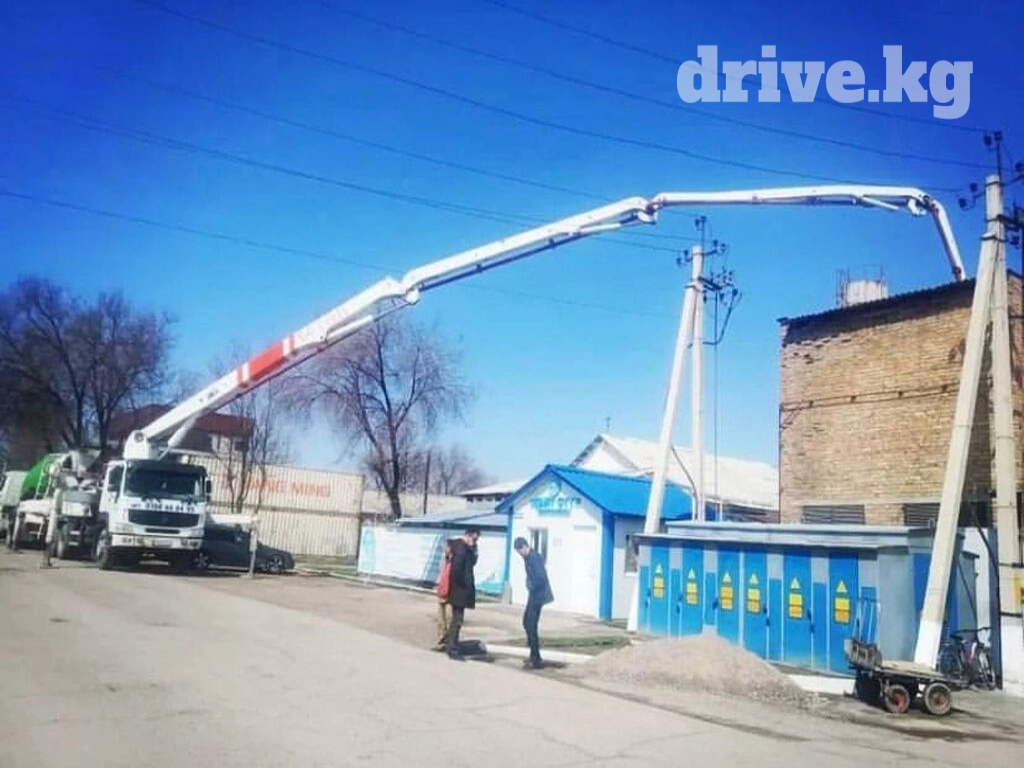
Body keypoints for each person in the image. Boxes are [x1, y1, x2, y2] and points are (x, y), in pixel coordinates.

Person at [514, 536, 554, 669]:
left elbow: (540, 577)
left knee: (530, 624)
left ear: (524, 547)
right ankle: (534, 654)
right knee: (527, 622)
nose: (520, 554)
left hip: (538, 595)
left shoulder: (533, 558)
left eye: (520, 551)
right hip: (534, 595)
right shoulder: (529, 557)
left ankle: (535, 658)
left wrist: (531, 585)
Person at [444, 527, 480, 660]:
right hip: (459, 590)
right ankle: (452, 647)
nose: (475, 542)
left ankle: (453, 644)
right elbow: (457, 570)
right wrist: (463, 585)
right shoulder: (461, 549)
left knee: (458, 619)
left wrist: (474, 550)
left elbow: (472, 563)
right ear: (468, 536)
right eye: (474, 539)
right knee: (457, 620)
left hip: (460, 590)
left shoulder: (465, 549)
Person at [434, 539, 454, 650]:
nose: (444, 549)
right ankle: (441, 639)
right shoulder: (445, 560)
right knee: (441, 618)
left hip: (451, 592)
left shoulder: (455, 560)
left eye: (446, 547)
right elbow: (442, 575)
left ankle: (450, 640)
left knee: (450, 617)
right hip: (442, 591)